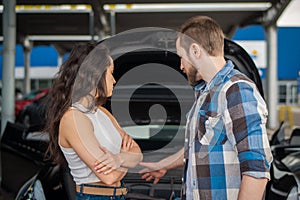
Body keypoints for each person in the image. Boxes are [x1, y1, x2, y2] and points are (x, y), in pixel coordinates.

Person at [139, 16, 273, 200]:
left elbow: (256, 169)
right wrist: (164, 164)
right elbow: (198, 147)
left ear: (195, 50)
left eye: (182, 57)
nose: (181, 66)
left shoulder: (236, 90)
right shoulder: (205, 94)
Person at [45, 42, 143, 200]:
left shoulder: (101, 112)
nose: (114, 80)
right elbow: (109, 177)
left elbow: (138, 153)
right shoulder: (73, 118)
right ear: (95, 75)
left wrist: (119, 159)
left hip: (118, 196)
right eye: (110, 73)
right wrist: (126, 155)